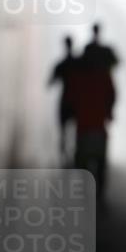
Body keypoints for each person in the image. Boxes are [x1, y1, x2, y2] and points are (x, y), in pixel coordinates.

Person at [68, 45, 117, 199]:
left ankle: (86, 189)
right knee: (100, 160)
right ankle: (99, 190)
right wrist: (109, 112)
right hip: (98, 126)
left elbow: (71, 97)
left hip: (84, 126)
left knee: (82, 160)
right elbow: (112, 95)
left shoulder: (78, 76)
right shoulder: (104, 76)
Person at [47, 35, 77, 163]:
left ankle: (64, 155)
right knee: (76, 129)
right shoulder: (78, 64)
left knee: (63, 130)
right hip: (76, 102)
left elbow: (50, 82)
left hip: (65, 101)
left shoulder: (62, 64)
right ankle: (74, 153)